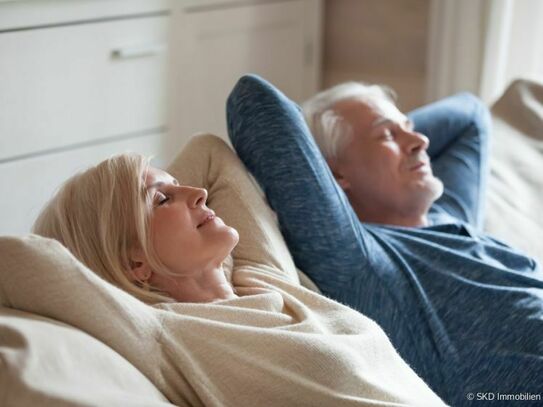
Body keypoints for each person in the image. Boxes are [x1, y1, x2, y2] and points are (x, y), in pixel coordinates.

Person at [30, 134, 445, 406]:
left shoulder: (260, 275)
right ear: (133, 261)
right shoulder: (164, 334)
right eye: (161, 199)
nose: (198, 192)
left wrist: (147, 202)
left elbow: (209, 152)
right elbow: (27, 265)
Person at [227, 74, 543, 406]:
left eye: (409, 125)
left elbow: (471, 115)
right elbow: (254, 101)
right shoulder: (362, 261)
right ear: (334, 176)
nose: (420, 139)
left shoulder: (451, 213)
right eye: (387, 135)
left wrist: (386, 137)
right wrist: (337, 153)